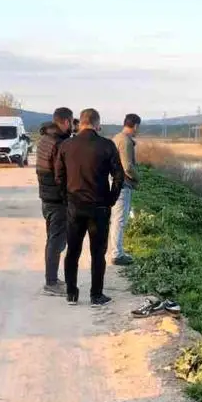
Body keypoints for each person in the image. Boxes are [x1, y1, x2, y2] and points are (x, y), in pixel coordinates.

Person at [55, 108, 124, 306]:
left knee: (73, 252)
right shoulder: (107, 145)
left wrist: (66, 198)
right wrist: (111, 199)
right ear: (96, 123)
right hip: (100, 207)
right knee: (97, 253)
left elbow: (58, 177)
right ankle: (96, 295)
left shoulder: (66, 145)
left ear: (81, 122)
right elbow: (119, 176)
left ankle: (71, 292)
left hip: (75, 206)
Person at [35, 107, 75, 296]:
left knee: (53, 238)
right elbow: (61, 174)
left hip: (47, 197)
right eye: (71, 122)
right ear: (66, 121)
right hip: (57, 199)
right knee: (56, 240)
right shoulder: (58, 143)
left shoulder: (44, 138)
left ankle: (52, 279)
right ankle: (51, 283)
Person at [111, 113, 141, 265]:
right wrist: (138, 177)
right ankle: (117, 254)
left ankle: (117, 250)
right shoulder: (126, 141)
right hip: (123, 184)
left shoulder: (117, 137)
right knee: (120, 220)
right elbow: (127, 166)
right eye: (138, 127)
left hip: (114, 183)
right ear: (135, 125)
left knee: (116, 219)